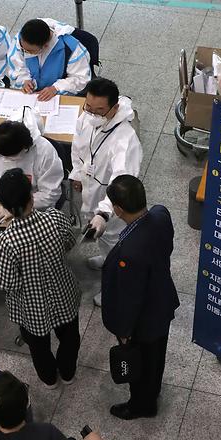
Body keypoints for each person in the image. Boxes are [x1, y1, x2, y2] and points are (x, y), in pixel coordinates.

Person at [0, 169, 81, 388]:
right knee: (69, 338)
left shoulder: (6, 242)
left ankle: (49, 378)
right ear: (32, 196)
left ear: (6, 207)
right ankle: (67, 373)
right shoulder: (55, 219)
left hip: (31, 306)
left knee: (39, 347)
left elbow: (5, 282)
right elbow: (69, 244)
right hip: (63, 293)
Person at [100, 175, 179, 420]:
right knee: (156, 357)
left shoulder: (131, 252)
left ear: (118, 209)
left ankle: (142, 405)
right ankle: (152, 390)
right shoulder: (160, 214)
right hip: (162, 302)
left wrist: (124, 331)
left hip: (144, 320)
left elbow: (130, 298)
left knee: (141, 364)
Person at [68, 78, 143, 306]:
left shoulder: (125, 139)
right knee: (104, 239)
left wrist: (104, 213)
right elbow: (78, 147)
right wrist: (78, 174)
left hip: (114, 206)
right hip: (92, 189)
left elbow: (121, 182)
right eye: (88, 107)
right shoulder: (87, 118)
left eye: (99, 110)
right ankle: (106, 257)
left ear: (115, 108)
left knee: (117, 244)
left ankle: (115, 288)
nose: (92, 114)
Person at [0, 120, 64, 222]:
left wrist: (15, 208)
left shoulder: (44, 151)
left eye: (11, 158)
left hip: (30, 208)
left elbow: (50, 193)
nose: (5, 160)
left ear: (25, 148)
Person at [9, 18, 90, 100]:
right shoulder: (22, 38)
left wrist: (56, 88)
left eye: (29, 51)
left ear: (45, 46)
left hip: (57, 97)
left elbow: (80, 78)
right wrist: (24, 79)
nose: (24, 51)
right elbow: (16, 62)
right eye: (23, 48)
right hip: (30, 96)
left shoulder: (72, 48)